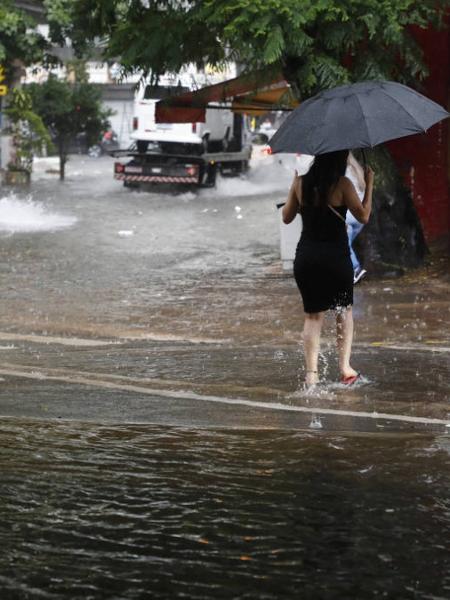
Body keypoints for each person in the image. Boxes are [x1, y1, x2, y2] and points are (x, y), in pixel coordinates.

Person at [282, 150, 374, 387]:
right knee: (344, 311)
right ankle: (345, 368)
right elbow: (363, 216)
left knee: (313, 316)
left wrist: (293, 185)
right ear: (339, 160)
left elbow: (286, 217)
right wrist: (370, 184)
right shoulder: (342, 184)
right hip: (335, 259)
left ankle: (311, 375)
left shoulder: (301, 183)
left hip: (307, 258)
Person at [345, 153, 367, 283]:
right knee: (345, 244)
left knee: (342, 245)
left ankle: (355, 269)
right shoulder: (356, 170)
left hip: (347, 216)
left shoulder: (341, 173)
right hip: (359, 217)